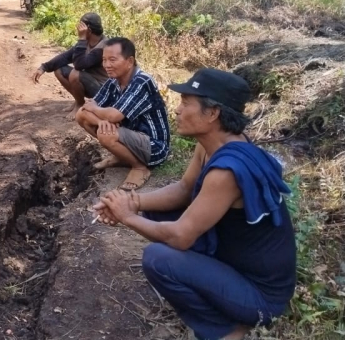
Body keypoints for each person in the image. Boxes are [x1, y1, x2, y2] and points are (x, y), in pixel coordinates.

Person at [93, 68, 296, 340]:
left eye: (186, 103)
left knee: (158, 259)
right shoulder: (215, 144)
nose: (177, 110)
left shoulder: (226, 172)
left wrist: (127, 217)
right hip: (234, 263)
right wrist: (131, 201)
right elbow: (184, 189)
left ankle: (225, 330)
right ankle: (213, 289)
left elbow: (180, 238)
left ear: (212, 114)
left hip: (259, 296)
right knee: (156, 210)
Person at [76, 37, 170, 190]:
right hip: (130, 136)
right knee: (82, 116)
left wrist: (96, 111)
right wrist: (101, 122)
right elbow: (85, 109)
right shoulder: (114, 81)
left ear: (130, 61)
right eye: (104, 60)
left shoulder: (142, 81)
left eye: (112, 60)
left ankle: (140, 168)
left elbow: (113, 115)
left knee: (106, 134)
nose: (106, 65)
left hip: (153, 146)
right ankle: (122, 156)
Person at [32, 12, 109, 112]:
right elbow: (66, 56)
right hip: (90, 81)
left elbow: (79, 65)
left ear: (88, 30)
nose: (78, 29)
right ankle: (78, 100)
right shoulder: (88, 42)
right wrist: (44, 67)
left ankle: (80, 105)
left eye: (81, 26)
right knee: (59, 69)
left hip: (102, 90)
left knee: (75, 73)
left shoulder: (103, 47)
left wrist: (81, 39)